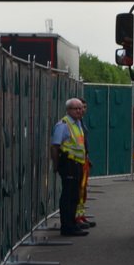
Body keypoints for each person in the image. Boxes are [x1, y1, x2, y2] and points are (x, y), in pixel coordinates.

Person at [50, 98, 88, 236]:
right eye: (75, 108)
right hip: (68, 163)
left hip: (77, 163)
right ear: (68, 110)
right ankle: (66, 227)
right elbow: (55, 146)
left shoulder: (78, 123)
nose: (79, 111)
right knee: (68, 196)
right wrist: (56, 165)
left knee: (75, 196)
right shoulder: (63, 125)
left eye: (80, 108)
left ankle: (73, 224)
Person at [75, 98, 96, 229]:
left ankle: (81, 216)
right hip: (77, 161)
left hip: (84, 160)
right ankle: (77, 217)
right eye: (80, 107)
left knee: (83, 190)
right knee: (78, 190)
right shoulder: (73, 124)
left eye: (84, 107)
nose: (82, 110)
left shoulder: (81, 122)